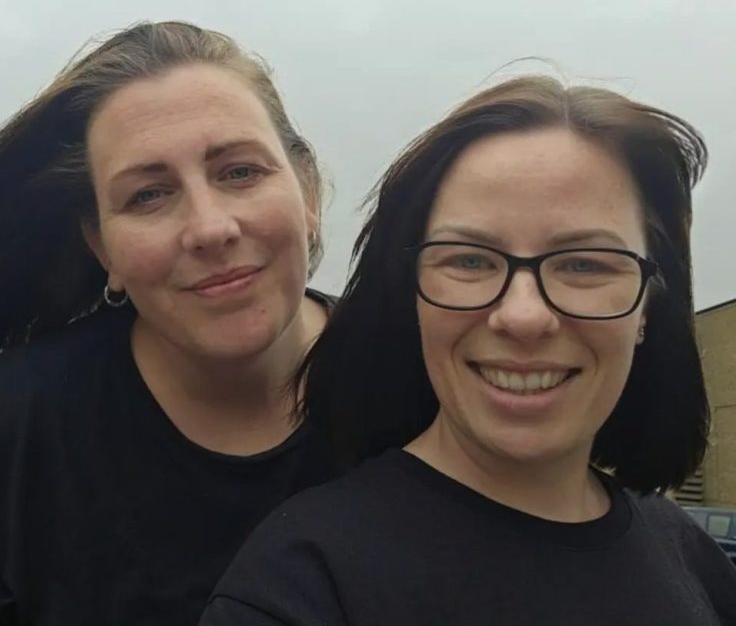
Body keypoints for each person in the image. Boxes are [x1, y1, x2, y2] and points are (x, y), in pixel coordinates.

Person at [201, 75, 736, 625]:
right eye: (470, 260)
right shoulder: (301, 585)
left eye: (584, 264)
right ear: (411, 296)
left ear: (648, 306)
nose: (523, 315)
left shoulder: (693, 560)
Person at [0, 21, 336, 626]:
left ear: (309, 193)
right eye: (148, 196)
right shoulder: (3, 437)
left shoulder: (420, 386)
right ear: (101, 248)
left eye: (239, 172)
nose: (210, 228)